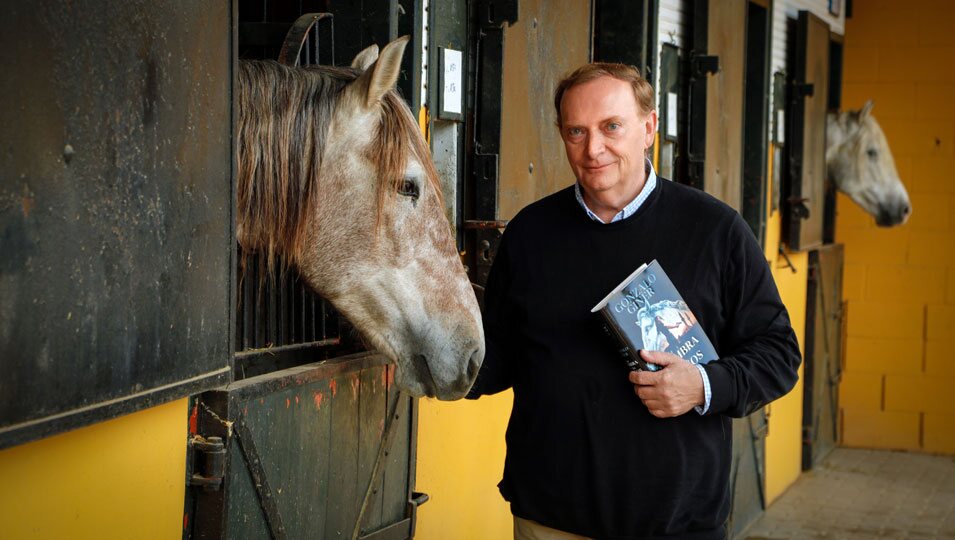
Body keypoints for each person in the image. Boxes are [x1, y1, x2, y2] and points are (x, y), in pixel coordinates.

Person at [466, 63, 802, 540]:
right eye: (576, 131)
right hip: (548, 520)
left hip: (676, 523)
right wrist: (433, 351)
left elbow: (779, 354)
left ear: (648, 129)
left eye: (611, 127)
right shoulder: (530, 233)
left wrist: (704, 385)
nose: (593, 148)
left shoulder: (716, 231)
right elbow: (499, 359)